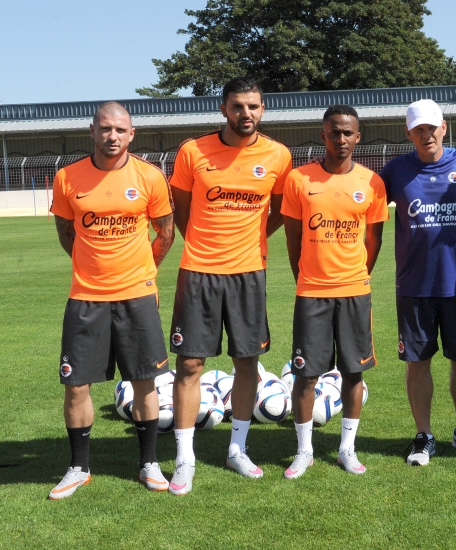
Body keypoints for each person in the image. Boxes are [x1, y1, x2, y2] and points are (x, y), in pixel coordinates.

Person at [167, 77, 292, 495]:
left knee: (246, 364)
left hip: (248, 274)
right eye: (238, 105)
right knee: (189, 365)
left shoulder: (278, 155)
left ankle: (236, 449)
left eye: (254, 106)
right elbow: (180, 211)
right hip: (198, 271)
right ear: (223, 108)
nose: (246, 113)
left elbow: (278, 211)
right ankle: (185, 457)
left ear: (263, 109)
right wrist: (205, 245)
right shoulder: (192, 151)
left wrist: (251, 240)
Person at [49, 102, 175, 499]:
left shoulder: (150, 177)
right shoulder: (67, 178)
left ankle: (149, 463)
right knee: (76, 386)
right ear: (92, 130)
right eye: (105, 129)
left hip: (137, 297)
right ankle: (78, 467)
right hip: (86, 297)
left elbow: (166, 232)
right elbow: (66, 232)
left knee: (144, 381)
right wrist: (93, 269)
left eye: (120, 130)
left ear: (131, 133)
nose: (112, 136)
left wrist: (143, 271)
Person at [380, 99, 456, 465]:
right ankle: (424, 436)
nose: (426, 135)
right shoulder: (395, 171)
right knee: (418, 363)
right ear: (408, 132)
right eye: (419, 129)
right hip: (414, 287)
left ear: (444, 126)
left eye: (432, 127)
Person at [282, 105, 388, 478]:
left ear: (358, 137)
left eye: (348, 133)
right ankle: (304, 451)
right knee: (306, 375)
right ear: (323, 134)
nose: (341, 139)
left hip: (354, 292)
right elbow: (293, 239)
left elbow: (374, 241)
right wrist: (308, 276)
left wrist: (355, 275)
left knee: (354, 374)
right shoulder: (298, 179)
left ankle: (346, 448)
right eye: (334, 132)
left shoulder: (372, 183)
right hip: (311, 292)